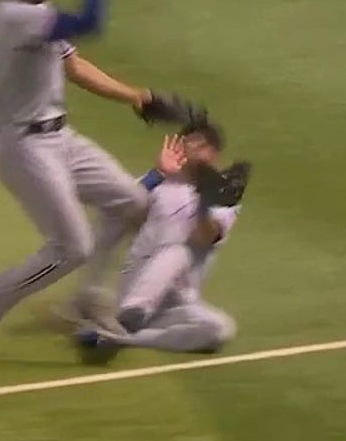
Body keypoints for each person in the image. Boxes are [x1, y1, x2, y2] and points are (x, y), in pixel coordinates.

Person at [0, 0, 198, 368]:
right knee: (73, 247)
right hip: (21, 148)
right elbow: (90, 21)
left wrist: (136, 95)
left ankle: (87, 299)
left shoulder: (37, 10)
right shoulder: (15, 17)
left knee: (132, 203)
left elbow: (74, 64)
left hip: (59, 138)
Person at [74, 121, 249, 364]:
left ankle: (115, 336)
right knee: (171, 246)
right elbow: (116, 211)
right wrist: (157, 174)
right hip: (137, 285)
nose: (194, 150)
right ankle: (101, 300)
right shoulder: (159, 183)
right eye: (189, 143)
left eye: (202, 146)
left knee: (221, 329)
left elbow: (205, 237)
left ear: (213, 154)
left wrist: (204, 203)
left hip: (177, 304)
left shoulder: (223, 196)